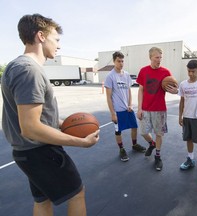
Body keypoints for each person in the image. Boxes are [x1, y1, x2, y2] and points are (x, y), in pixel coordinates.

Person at [1, 14, 100, 216]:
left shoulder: (15, 66)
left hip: (28, 152)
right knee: (77, 193)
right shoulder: (29, 70)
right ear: (41, 36)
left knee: (43, 200)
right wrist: (81, 142)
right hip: (40, 152)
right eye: (57, 39)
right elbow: (30, 127)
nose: (59, 46)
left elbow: (37, 118)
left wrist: (63, 123)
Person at [136, 47, 178, 171]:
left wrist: (176, 91)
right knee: (143, 132)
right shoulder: (143, 71)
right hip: (145, 108)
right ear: (151, 58)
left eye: (160, 57)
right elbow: (141, 90)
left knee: (159, 134)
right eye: (156, 57)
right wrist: (139, 108)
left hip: (159, 109)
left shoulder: (166, 72)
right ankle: (151, 144)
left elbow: (174, 88)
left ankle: (158, 156)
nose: (159, 60)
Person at [105, 51, 146, 162]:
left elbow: (129, 91)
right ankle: (122, 149)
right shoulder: (110, 76)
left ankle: (134, 144)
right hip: (117, 110)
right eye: (118, 61)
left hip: (127, 109)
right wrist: (112, 113)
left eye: (122, 61)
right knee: (118, 131)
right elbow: (108, 97)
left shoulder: (127, 75)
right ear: (114, 61)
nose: (121, 63)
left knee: (134, 127)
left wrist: (130, 104)